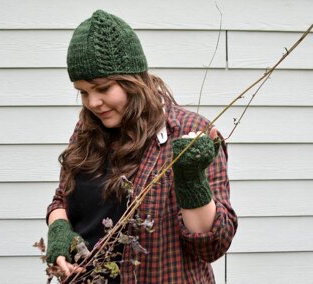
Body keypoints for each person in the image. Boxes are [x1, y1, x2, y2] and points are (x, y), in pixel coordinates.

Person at [45, 9, 237, 283]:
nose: (92, 103)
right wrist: (60, 231)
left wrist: (190, 178)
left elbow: (210, 245)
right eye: (83, 92)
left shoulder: (188, 133)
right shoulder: (87, 129)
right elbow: (62, 198)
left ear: (133, 80)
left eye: (102, 88)